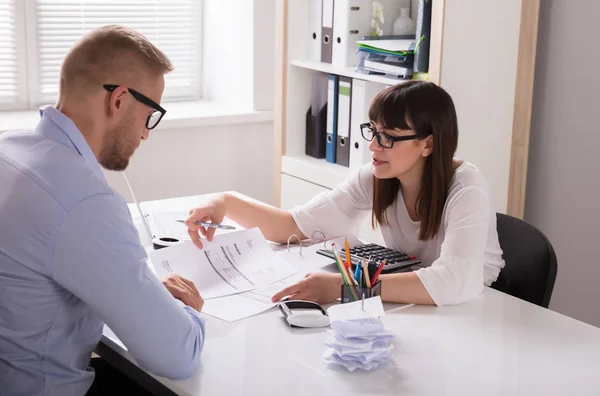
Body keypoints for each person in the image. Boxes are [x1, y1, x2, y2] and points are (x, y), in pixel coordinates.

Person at [0, 25, 205, 395]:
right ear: (120, 100)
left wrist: (138, 293)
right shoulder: (84, 201)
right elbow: (177, 355)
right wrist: (186, 311)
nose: (145, 134)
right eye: (150, 115)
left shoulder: (9, 149)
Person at [184, 80, 505, 307]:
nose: (373, 146)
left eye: (388, 137)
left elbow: (453, 282)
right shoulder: (379, 176)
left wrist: (347, 287)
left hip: (473, 310)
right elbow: (294, 226)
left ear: (428, 144)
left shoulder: (466, 189)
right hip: (415, 300)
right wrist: (224, 202)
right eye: (373, 131)